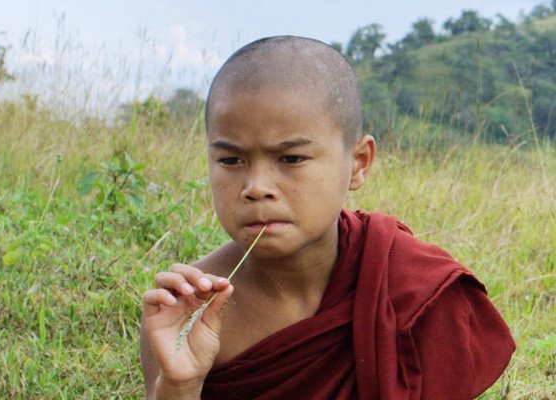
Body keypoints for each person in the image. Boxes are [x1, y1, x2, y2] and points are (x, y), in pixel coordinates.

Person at [140, 36, 515, 399]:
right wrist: (179, 388)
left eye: (291, 159)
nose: (256, 187)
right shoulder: (187, 311)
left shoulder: (413, 285)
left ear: (358, 163)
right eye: (231, 160)